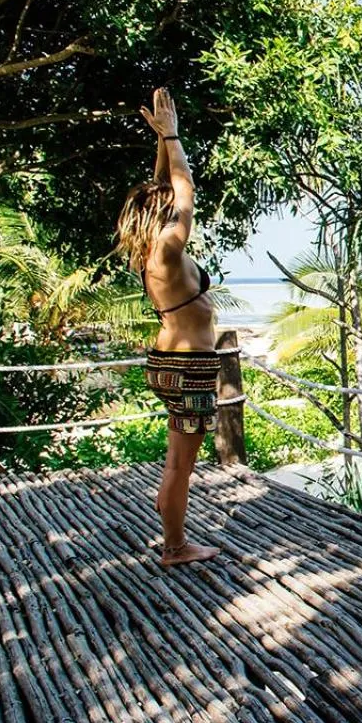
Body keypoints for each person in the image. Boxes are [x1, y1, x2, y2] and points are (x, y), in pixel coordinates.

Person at [116, 88, 221, 567]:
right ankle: (175, 547)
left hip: (171, 363)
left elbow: (165, 185)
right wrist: (175, 136)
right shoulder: (165, 249)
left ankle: (174, 535)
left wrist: (162, 139)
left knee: (178, 460)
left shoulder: (151, 251)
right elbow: (185, 191)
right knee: (180, 465)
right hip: (190, 369)